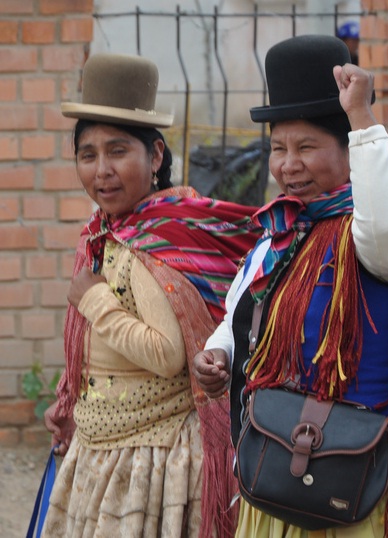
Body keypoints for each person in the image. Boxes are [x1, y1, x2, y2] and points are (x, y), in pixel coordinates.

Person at [192, 34, 388, 538]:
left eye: (307, 146)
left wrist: (362, 119)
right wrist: (219, 351)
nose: (288, 164)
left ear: (349, 148)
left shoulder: (369, 236)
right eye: (278, 148)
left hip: (366, 476)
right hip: (281, 467)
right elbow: (242, 312)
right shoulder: (280, 236)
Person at [41, 53, 261, 537]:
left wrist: (96, 301)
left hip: (150, 461)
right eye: (87, 155)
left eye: (118, 151)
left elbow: (167, 354)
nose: (102, 170)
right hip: (104, 448)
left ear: (156, 155)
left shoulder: (157, 240)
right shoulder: (104, 232)